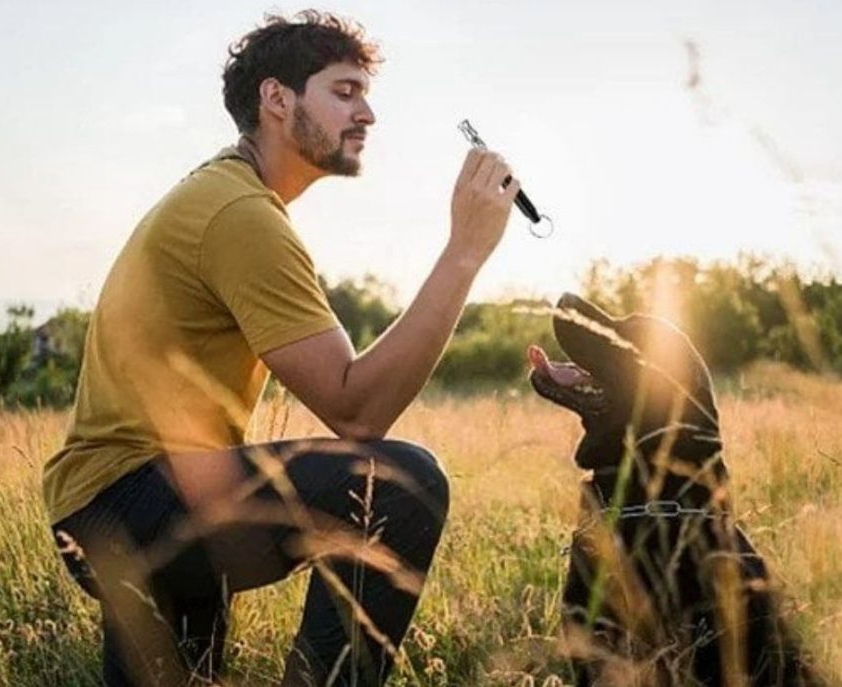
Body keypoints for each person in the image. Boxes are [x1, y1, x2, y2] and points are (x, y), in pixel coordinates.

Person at [44, 10, 520, 687]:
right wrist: (465, 251)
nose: (369, 114)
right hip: (135, 501)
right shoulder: (240, 213)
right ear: (276, 99)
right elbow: (358, 410)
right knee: (402, 486)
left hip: (122, 504)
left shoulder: (223, 194)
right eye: (345, 91)